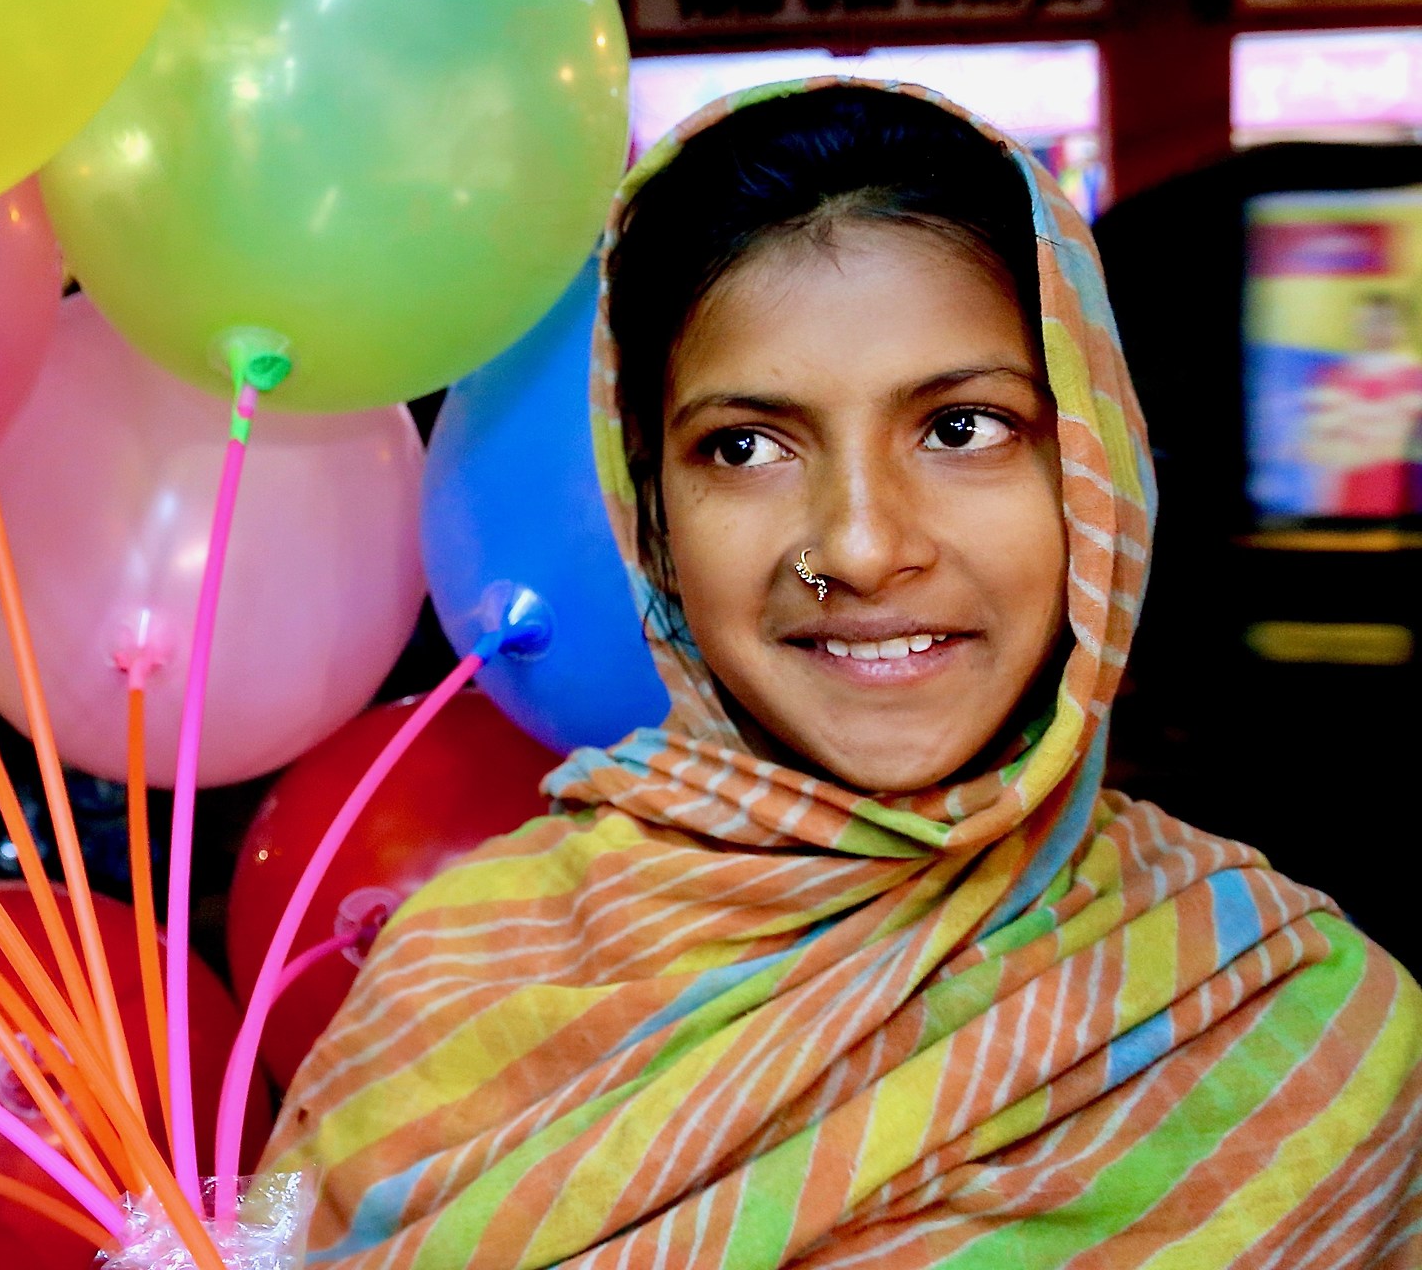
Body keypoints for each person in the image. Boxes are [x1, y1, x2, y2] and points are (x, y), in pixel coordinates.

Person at [269, 82, 1422, 1267]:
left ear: (1095, 468)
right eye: (747, 446)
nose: (864, 547)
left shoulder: (1306, 1027)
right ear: (651, 518)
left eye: (963, 427)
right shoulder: (451, 978)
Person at [1301, 291, 1422, 519]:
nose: (1376, 330)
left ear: (1403, 327)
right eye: (1368, 322)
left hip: (1405, 503)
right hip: (1349, 504)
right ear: (1356, 325)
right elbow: (1315, 448)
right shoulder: (1332, 379)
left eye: (1385, 321)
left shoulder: (1417, 380)